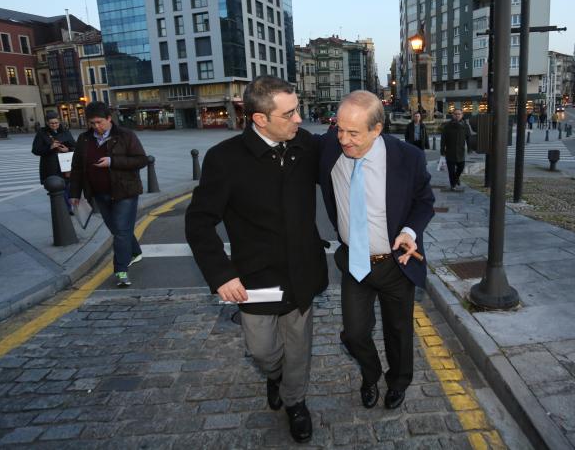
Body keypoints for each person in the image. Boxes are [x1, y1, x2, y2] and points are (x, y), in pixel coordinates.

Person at [185, 76, 327, 444]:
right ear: (260, 119)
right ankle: (275, 378)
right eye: (290, 113)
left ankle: (295, 402)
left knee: (299, 349)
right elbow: (199, 222)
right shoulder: (224, 159)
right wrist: (221, 275)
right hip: (255, 279)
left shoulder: (306, 146)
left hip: (302, 272)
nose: (299, 119)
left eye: (298, 110)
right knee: (263, 352)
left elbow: (347, 156)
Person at [318, 90, 434, 411]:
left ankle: (398, 382)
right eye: (338, 128)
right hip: (355, 263)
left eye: (353, 133)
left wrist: (410, 231)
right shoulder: (330, 147)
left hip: (395, 264)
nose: (344, 139)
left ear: (377, 129)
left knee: (399, 331)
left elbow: (424, 202)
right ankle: (370, 374)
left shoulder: (407, 158)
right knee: (354, 334)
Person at [69, 102, 148, 287]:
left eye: (99, 122)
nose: (96, 126)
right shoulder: (84, 139)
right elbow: (77, 168)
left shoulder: (125, 135)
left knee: (121, 231)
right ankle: (135, 252)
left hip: (125, 192)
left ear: (109, 119)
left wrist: (112, 161)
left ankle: (121, 271)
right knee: (118, 229)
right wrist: (74, 193)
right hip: (99, 193)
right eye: (92, 123)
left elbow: (141, 160)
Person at [31, 111, 76, 212]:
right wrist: (50, 147)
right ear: (47, 123)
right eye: (52, 123)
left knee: (68, 186)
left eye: (56, 122)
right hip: (51, 166)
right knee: (57, 187)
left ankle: (69, 206)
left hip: (66, 164)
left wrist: (68, 149)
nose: (54, 125)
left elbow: (75, 145)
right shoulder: (42, 133)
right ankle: (66, 209)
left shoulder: (65, 131)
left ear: (59, 121)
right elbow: (35, 150)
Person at [440, 109, 471, 190]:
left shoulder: (465, 126)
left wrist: (470, 148)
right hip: (450, 151)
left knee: (461, 167)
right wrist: (442, 150)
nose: (457, 115)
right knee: (451, 171)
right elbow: (443, 139)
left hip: (460, 151)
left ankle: (456, 178)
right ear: (453, 115)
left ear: (462, 115)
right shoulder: (447, 126)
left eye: (459, 114)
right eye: (455, 114)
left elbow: (468, 138)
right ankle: (453, 185)